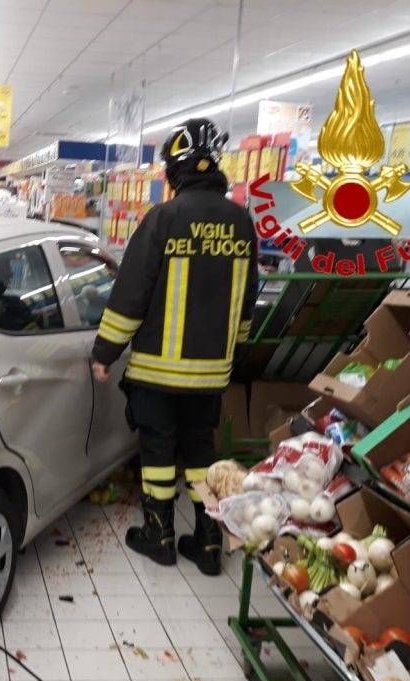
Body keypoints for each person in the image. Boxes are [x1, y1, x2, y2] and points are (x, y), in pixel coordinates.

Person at [91, 118, 257, 574]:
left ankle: (159, 534)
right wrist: (233, 356)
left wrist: (104, 353)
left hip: (159, 373)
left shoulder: (163, 219)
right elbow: (247, 302)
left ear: (175, 170)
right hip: (211, 375)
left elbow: (130, 295)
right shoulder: (242, 221)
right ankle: (206, 543)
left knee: (158, 453)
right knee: (201, 454)